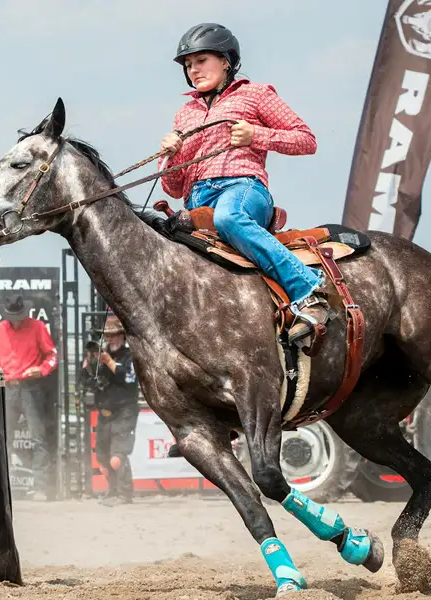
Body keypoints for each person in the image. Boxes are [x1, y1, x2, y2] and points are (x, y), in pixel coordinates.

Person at [159, 22, 328, 351]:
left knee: (229, 218)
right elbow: (174, 188)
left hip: (243, 188)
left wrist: (257, 135)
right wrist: (169, 158)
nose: (193, 70)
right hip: (197, 199)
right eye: (188, 65)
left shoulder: (256, 94)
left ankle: (308, 289)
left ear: (225, 60)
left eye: (201, 60)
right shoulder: (186, 113)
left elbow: (306, 140)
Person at [0, 294, 58, 499]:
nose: (15, 320)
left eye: (18, 315)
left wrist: (42, 370)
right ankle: (2, 486)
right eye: (12, 316)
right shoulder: (1, 329)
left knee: (38, 436)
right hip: (8, 386)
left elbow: (52, 356)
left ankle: (42, 487)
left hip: (30, 386)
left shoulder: (37, 327)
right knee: (3, 437)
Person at [81, 313, 140, 506]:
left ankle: (125, 493)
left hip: (125, 411)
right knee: (103, 457)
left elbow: (131, 380)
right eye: (107, 335)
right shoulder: (100, 357)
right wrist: (88, 367)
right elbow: (87, 383)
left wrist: (109, 362)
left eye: (113, 335)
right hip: (105, 412)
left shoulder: (130, 356)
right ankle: (113, 491)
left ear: (122, 336)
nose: (109, 339)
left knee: (117, 456)